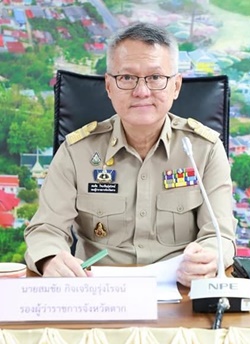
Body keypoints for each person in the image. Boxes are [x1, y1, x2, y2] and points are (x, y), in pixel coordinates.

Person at [23, 23, 235, 287]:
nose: (142, 91)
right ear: (109, 86)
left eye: (156, 78)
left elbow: (221, 236)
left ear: (176, 86)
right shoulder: (77, 152)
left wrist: (211, 258)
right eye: (127, 78)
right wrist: (51, 258)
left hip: (181, 295)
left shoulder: (204, 150)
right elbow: (46, 229)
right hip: (97, 295)